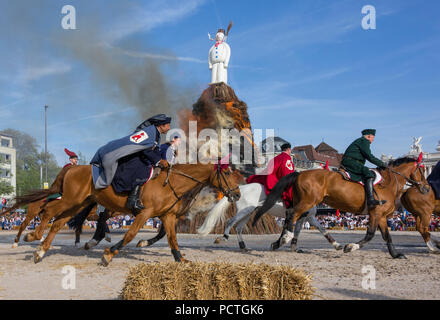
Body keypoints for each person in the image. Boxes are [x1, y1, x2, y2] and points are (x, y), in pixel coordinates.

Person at [90, 114, 171, 213]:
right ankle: (132, 200)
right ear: (161, 125)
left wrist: (161, 159)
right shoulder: (149, 132)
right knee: (144, 169)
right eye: (168, 125)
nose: (169, 128)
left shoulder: (156, 134)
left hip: (139, 155)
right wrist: (159, 160)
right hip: (133, 157)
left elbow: (153, 150)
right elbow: (145, 150)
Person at [341, 129, 387, 209]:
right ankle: (371, 199)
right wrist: (382, 164)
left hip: (350, 161)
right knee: (369, 173)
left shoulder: (360, 141)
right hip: (351, 162)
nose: (373, 140)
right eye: (373, 138)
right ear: (369, 136)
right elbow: (369, 156)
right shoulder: (364, 141)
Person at [246, 142, 295, 208]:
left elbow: (268, 170)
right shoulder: (287, 159)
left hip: (270, 178)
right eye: (290, 150)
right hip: (279, 183)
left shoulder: (275, 158)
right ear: (288, 149)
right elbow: (287, 174)